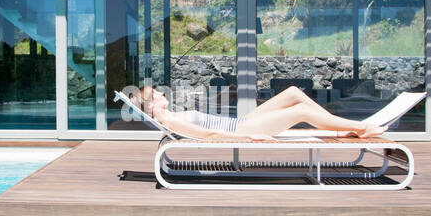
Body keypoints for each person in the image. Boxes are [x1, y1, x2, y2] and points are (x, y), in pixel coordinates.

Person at [136, 85, 387, 140]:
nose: (159, 93)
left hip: (241, 122)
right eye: (155, 94)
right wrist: (250, 138)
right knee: (301, 111)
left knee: (293, 93)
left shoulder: (170, 117)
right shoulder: (169, 119)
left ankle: (340, 127)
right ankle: (360, 127)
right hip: (244, 130)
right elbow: (210, 134)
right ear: (151, 105)